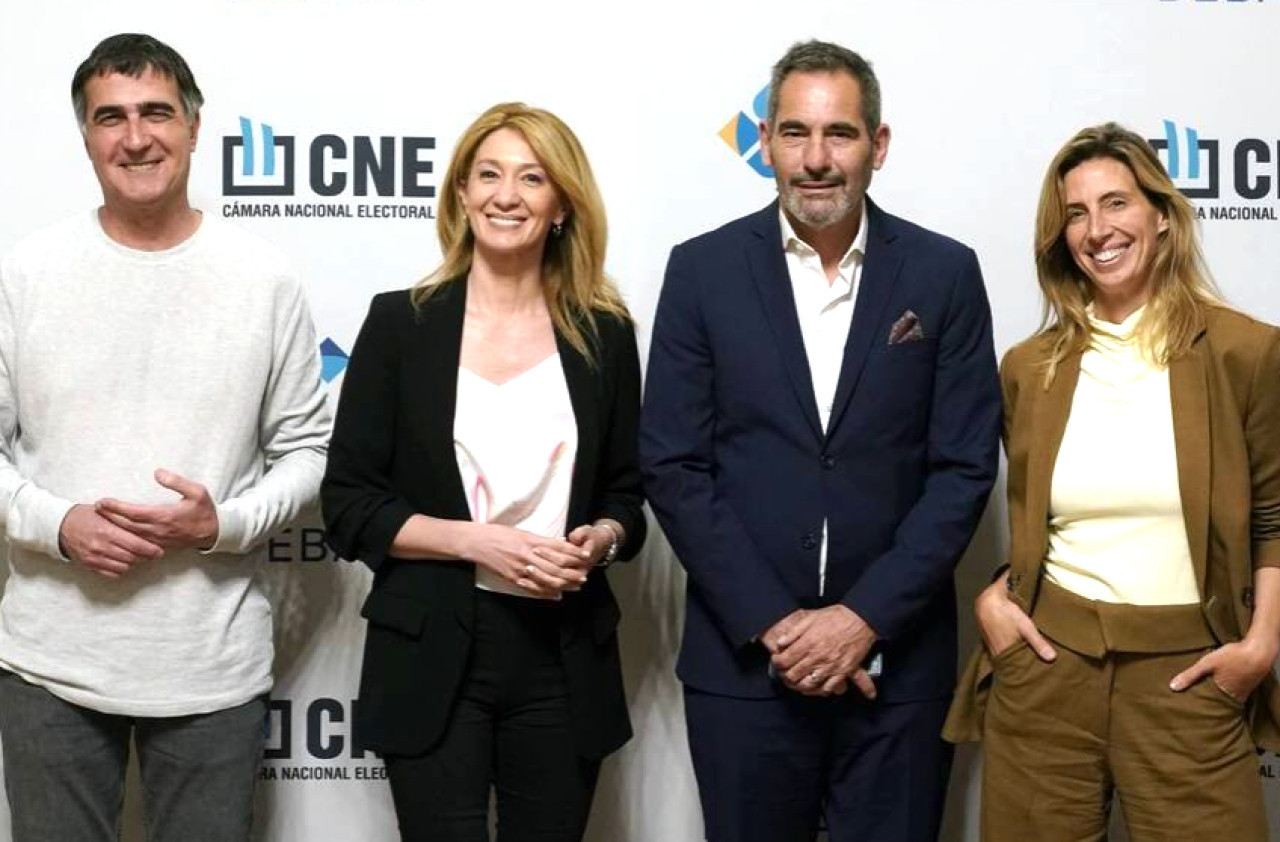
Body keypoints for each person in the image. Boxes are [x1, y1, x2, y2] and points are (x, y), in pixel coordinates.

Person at [640, 39, 1000, 842]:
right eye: (794, 133)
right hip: (743, 670)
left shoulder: (943, 274)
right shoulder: (701, 271)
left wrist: (861, 619)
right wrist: (778, 623)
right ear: (763, 143)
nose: (815, 159)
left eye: (838, 133)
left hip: (898, 669)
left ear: (878, 144)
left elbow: (964, 469)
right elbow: (673, 464)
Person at [0, 32, 330, 842]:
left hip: (211, 671)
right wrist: (59, 525)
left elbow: (307, 451)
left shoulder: (265, 279)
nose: (136, 136)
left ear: (193, 126)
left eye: (156, 113)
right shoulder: (24, 274)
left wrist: (224, 525)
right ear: (85, 137)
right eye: (111, 117)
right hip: (51, 668)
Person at [943, 122, 1280, 842]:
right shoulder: (1029, 368)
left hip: (1192, 674)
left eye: (1117, 203)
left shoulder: (1245, 351)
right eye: (1076, 213)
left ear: (1162, 215)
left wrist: (1260, 647)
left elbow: (1273, 519)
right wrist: (993, 600)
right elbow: (1023, 513)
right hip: (1046, 672)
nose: (1099, 229)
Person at [321, 101, 645, 842]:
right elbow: (347, 504)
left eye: (533, 178)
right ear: (461, 193)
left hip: (564, 660)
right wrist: (478, 543)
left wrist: (601, 537)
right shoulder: (400, 324)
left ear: (562, 203)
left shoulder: (606, 333)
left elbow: (629, 493)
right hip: (433, 652)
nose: (508, 195)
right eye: (490, 174)